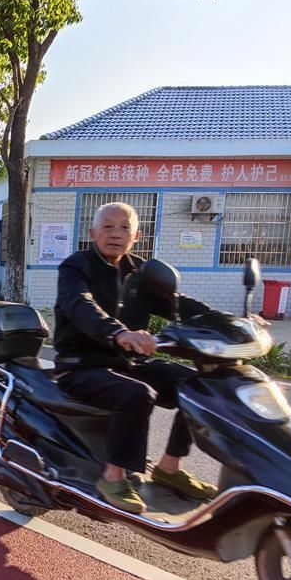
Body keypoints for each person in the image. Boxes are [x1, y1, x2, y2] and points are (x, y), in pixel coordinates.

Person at [53, 202, 219, 514]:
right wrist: (118, 332)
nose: (116, 233)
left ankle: (169, 468)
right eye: (108, 226)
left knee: (195, 384)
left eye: (124, 227)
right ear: (92, 233)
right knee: (138, 394)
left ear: (137, 235)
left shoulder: (140, 273)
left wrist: (227, 321)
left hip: (127, 364)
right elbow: (80, 305)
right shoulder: (76, 267)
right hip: (81, 367)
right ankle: (113, 477)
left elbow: (178, 305)